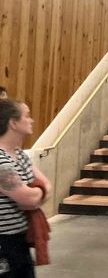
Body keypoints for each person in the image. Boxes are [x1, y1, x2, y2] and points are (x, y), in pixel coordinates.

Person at [0, 99, 51, 277]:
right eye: (27, 116)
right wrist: (36, 194)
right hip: (4, 243)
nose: (32, 120)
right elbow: (28, 198)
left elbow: (46, 185)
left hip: (20, 238)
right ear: (13, 123)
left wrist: (36, 193)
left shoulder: (19, 154)